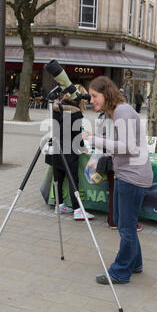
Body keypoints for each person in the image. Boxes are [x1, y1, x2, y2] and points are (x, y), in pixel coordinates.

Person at [84, 76, 153, 285]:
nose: (91, 100)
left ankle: (120, 272)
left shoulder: (122, 111)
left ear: (106, 94)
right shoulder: (117, 112)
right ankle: (135, 263)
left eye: (94, 96)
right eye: (90, 96)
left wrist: (94, 141)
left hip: (132, 178)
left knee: (125, 227)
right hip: (129, 175)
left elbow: (128, 147)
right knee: (127, 224)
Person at [45, 84, 94, 221]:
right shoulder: (76, 113)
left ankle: (59, 205)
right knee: (73, 180)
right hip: (68, 151)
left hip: (54, 148)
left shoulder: (55, 108)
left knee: (58, 179)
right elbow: (76, 137)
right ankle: (78, 209)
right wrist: (83, 147)